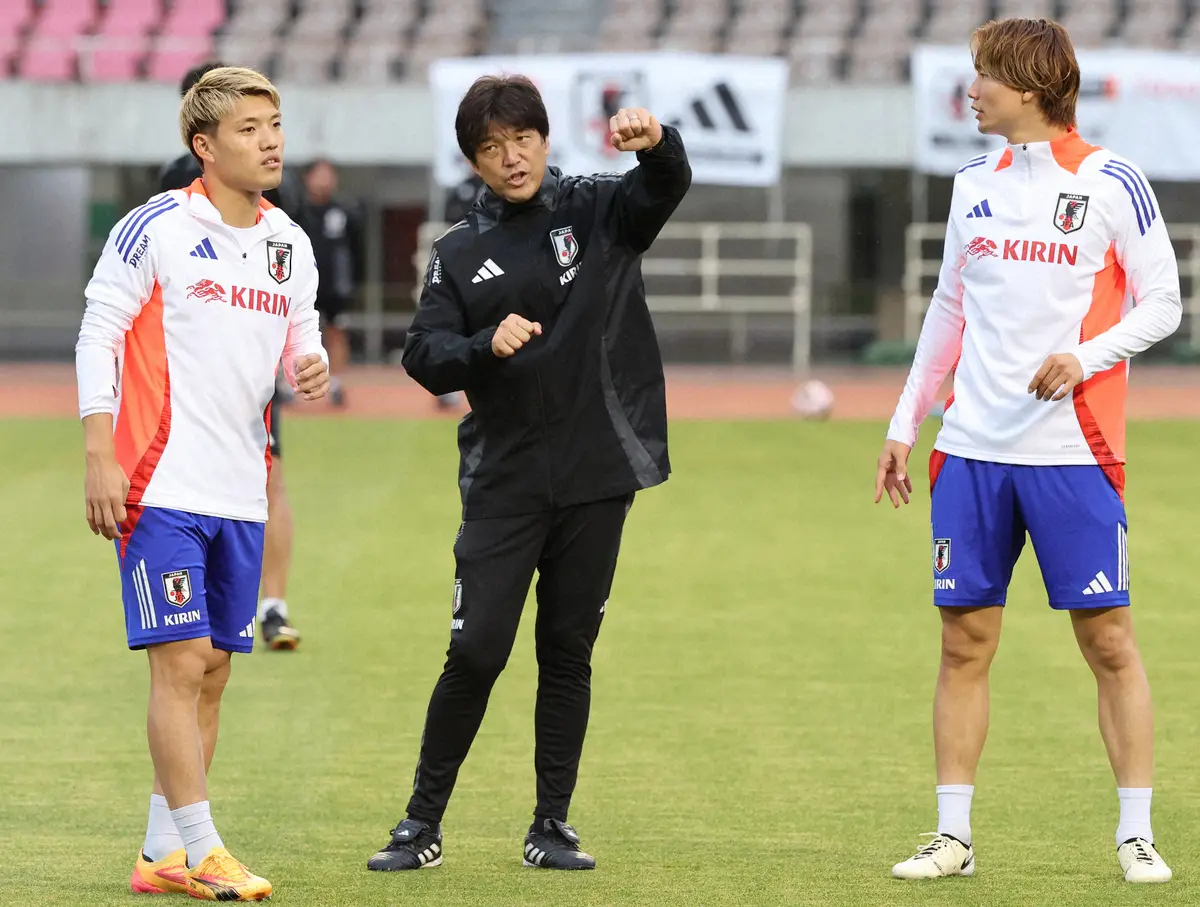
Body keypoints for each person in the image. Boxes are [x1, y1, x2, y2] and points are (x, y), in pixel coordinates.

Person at [876, 18, 1181, 884]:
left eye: (983, 77)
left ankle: (1135, 835)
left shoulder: (1113, 182)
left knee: (1110, 641)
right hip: (971, 452)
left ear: (1030, 85)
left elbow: (1164, 303)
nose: (971, 91)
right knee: (963, 642)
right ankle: (953, 837)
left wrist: (1083, 358)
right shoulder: (972, 181)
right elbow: (947, 310)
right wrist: (906, 423)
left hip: (1076, 453)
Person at [365, 74, 691, 872]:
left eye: (522, 139)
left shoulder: (596, 209)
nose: (510, 158)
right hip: (503, 483)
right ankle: (419, 822)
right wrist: (484, 345)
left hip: (596, 473)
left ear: (545, 139)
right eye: (490, 147)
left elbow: (664, 186)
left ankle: (551, 825)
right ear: (473, 160)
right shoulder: (458, 252)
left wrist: (659, 142)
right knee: (475, 649)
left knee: (567, 649)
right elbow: (422, 357)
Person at [76, 66, 329, 900]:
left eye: (276, 123)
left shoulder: (290, 242)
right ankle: (205, 845)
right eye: (252, 127)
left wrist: (311, 365)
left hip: (239, 488)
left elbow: (302, 337)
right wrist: (98, 451)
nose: (271, 139)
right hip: (159, 482)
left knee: (215, 666)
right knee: (180, 662)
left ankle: (160, 855)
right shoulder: (156, 226)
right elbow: (98, 332)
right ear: (204, 145)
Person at [160, 60, 304, 650]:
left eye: (267, 124)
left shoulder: (279, 202)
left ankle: (269, 602)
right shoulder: (171, 193)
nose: (263, 140)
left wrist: (299, 349)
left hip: (250, 376)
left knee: (266, 480)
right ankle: (220, 606)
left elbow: (292, 279)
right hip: (188, 380)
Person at [301, 158, 362, 407]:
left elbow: (356, 249)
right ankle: (291, 383)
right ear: (308, 179)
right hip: (303, 287)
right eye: (319, 174)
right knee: (296, 333)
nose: (325, 180)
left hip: (335, 287)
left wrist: (353, 281)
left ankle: (335, 383)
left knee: (337, 333)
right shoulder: (297, 213)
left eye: (329, 175)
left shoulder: (344, 212)